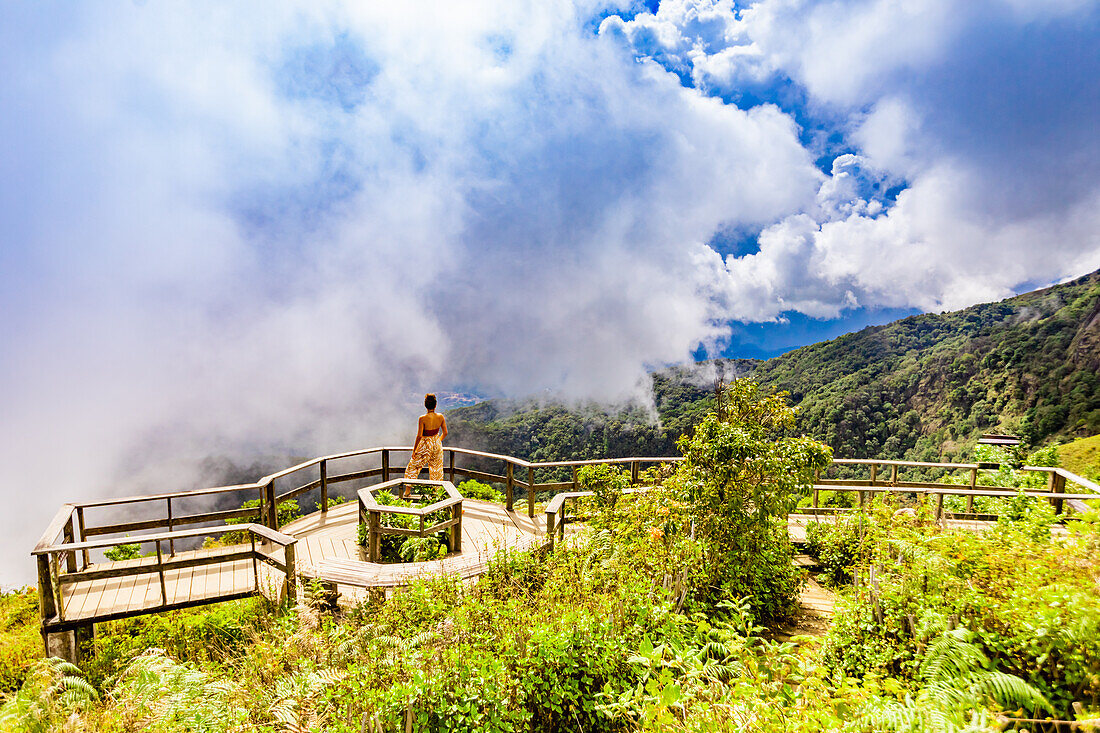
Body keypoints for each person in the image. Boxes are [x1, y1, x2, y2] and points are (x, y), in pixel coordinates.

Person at [403, 393, 448, 496]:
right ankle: (436, 494)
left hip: (425, 445)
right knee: (436, 469)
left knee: (413, 466)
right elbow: (445, 432)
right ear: (435, 405)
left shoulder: (422, 418)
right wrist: (437, 441)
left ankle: (407, 492)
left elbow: (419, 436)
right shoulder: (440, 417)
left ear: (425, 405)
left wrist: (414, 450)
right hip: (436, 444)